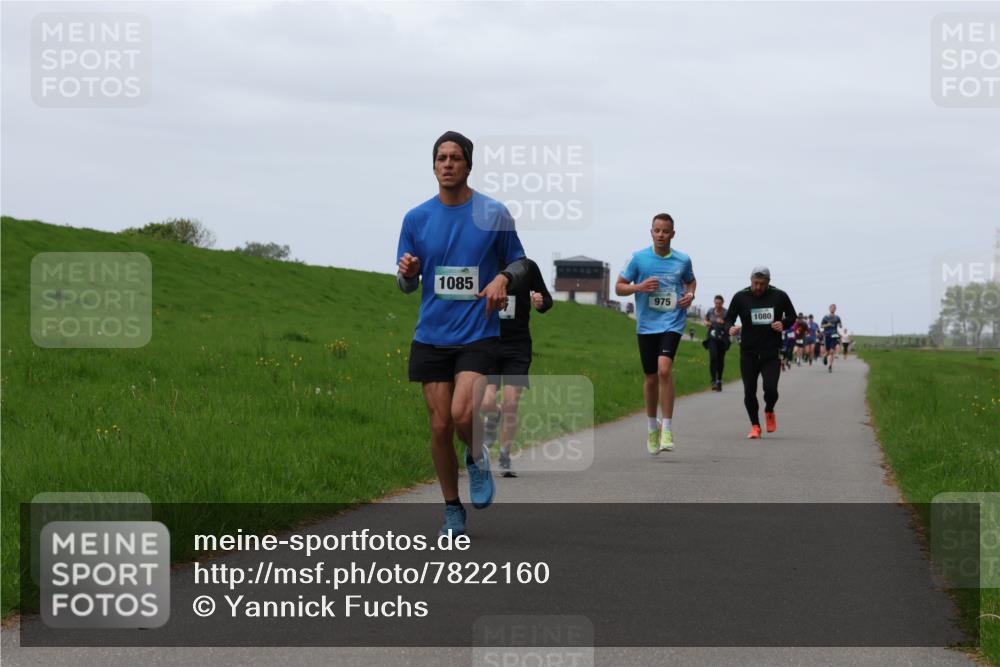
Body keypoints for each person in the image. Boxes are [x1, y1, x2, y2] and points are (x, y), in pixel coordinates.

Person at [397, 130, 533, 536]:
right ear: (434, 165)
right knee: (439, 426)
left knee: (461, 414)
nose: (448, 164)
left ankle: (476, 457)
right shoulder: (416, 218)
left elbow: (522, 262)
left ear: (468, 165)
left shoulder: (493, 213)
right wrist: (406, 274)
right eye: (441, 158)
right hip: (431, 335)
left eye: (456, 157)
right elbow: (405, 285)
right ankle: (452, 508)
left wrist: (502, 279)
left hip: (477, 334)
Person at [616, 213, 697, 455]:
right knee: (651, 377)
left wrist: (690, 295)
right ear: (651, 232)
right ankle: (652, 427)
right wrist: (638, 287)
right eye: (657, 230)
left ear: (673, 234)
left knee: (664, 369)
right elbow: (619, 287)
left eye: (666, 231)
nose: (661, 235)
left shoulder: (683, 260)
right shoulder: (638, 259)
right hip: (646, 326)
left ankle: (668, 429)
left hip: (672, 321)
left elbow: (691, 282)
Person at [480, 259, 553, 477]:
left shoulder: (527, 267)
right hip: (488, 341)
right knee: (487, 402)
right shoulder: (483, 260)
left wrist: (541, 302)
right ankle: (494, 416)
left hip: (518, 345)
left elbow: (547, 298)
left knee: (511, 403)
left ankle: (504, 455)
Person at [724, 266, 797, 439]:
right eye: (755, 283)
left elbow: (792, 316)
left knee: (770, 389)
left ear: (768, 282)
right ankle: (755, 426)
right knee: (749, 391)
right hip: (748, 352)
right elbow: (728, 319)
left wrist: (783, 324)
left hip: (770, 352)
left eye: (762, 284)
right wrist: (730, 328)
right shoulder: (740, 297)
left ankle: (769, 409)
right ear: (750, 281)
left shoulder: (779, 296)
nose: (758, 287)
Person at [702, 295, 730, 391]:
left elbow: (730, 324)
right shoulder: (710, 311)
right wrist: (706, 322)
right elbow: (705, 319)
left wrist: (723, 322)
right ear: (714, 303)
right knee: (713, 357)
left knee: (720, 360)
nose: (717, 305)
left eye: (719, 303)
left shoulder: (726, 313)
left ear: (723, 303)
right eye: (716, 303)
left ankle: (719, 380)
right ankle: (713, 381)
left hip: (722, 339)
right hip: (712, 338)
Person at [820, 304, 844, 373]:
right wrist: (827, 325)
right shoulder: (825, 317)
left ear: (835, 309)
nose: (833, 309)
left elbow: (840, 325)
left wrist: (840, 325)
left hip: (834, 335)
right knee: (827, 351)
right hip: (827, 335)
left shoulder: (837, 317)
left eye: (834, 308)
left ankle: (830, 366)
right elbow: (821, 326)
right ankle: (825, 357)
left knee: (832, 351)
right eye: (831, 308)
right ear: (829, 309)